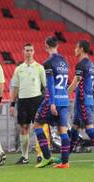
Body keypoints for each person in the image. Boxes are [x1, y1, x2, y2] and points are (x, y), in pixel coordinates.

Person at [33, 36, 70, 168]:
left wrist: (52, 103)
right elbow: (66, 83)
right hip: (65, 100)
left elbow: (50, 84)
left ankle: (47, 157)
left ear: (46, 46)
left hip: (52, 100)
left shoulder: (48, 62)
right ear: (57, 46)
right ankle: (65, 162)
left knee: (37, 125)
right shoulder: (65, 61)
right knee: (63, 130)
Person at [9, 43, 49, 164]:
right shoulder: (18, 69)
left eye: (31, 50)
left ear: (34, 52)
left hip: (36, 100)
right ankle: (25, 156)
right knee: (24, 127)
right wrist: (12, 104)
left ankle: (40, 154)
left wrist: (47, 101)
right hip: (22, 101)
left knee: (39, 127)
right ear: (23, 52)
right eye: (27, 50)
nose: (29, 52)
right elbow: (15, 88)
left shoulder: (39, 67)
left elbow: (45, 86)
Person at [67, 40, 94, 166]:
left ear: (81, 49)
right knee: (75, 128)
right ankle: (65, 157)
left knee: (89, 128)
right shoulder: (92, 65)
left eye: (76, 47)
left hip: (82, 101)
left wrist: (64, 94)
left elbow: (76, 81)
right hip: (84, 100)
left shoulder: (81, 65)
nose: (75, 50)